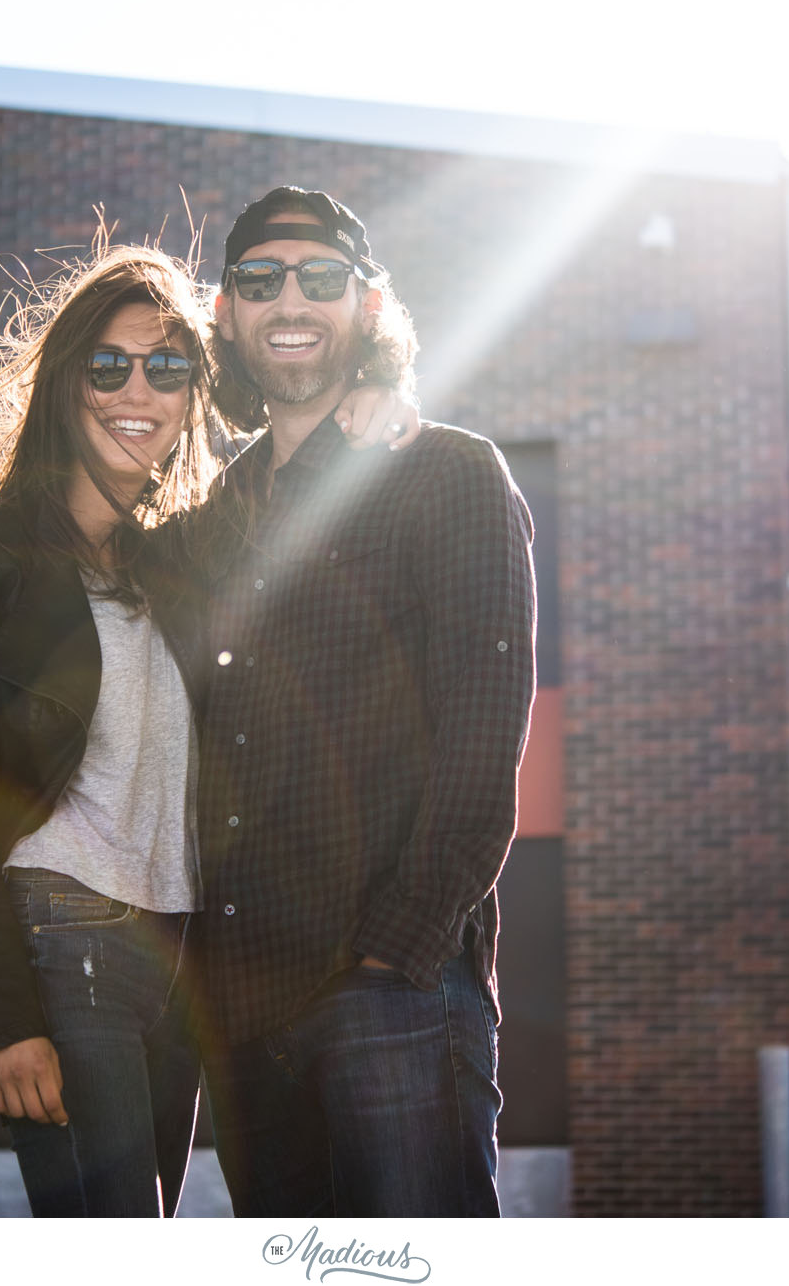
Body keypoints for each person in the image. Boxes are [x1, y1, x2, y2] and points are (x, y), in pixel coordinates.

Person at [0, 236, 415, 1216]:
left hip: (178, 968)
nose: (137, 388)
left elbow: (299, 482)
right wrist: (3, 1024)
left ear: (190, 398)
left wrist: (377, 390)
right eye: (108, 364)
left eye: (168, 368)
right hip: (67, 944)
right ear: (65, 385)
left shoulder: (176, 566)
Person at [186, 187, 538, 1217]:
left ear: (368, 305)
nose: (288, 299)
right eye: (259, 279)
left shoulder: (447, 474)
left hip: (393, 999)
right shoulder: (214, 519)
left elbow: (482, 742)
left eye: (320, 277)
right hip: (248, 1019)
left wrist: (392, 956)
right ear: (225, 313)